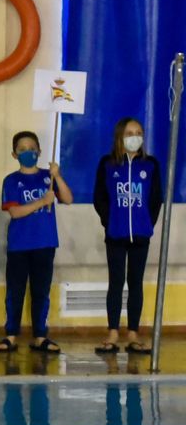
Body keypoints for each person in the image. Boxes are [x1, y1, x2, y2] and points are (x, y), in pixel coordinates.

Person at [93, 118, 163, 355]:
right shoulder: (107, 164)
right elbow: (99, 197)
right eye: (130, 132)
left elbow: (156, 199)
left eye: (139, 132)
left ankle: (133, 333)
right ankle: (113, 331)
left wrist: (147, 223)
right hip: (115, 235)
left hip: (140, 236)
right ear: (120, 136)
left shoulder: (150, 164)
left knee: (136, 283)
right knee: (116, 282)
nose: (135, 136)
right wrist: (109, 221)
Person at [0, 130, 72, 354]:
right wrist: (42, 201)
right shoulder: (11, 181)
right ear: (14, 154)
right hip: (19, 245)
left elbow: (68, 199)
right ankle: (11, 335)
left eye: (32, 148)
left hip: (45, 243)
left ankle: (40, 335)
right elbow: (15, 212)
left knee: (41, 291)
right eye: (22, 149)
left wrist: (57, 176)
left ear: (39, 151)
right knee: (15, 291)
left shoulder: (47, 177)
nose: (28, 152)